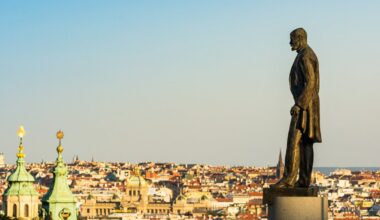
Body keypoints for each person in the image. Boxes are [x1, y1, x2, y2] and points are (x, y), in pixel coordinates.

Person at [272, 28, 322, 188]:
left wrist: (299, 104)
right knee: (306, 143)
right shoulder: (308, 54)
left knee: (294, 141)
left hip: (304, 107)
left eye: (292, 39)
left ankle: (289, 178)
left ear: (300, 38)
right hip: (310, 105)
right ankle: (304, 180)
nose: (290, 43)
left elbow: (311, 82)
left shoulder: (305, 56)